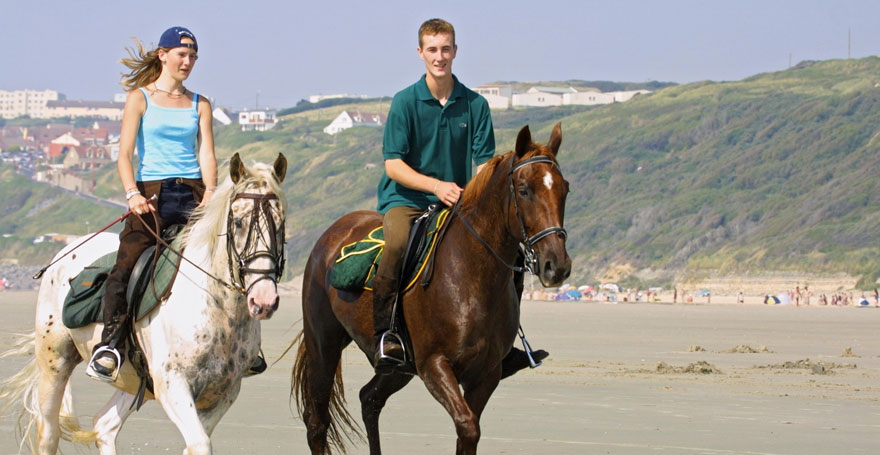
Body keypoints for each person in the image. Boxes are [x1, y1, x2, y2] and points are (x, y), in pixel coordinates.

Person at [372, 18, 544, 374]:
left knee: (509, 252)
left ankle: (504, 341)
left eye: (446, 49)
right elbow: (393, 165)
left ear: (455, 51)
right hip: (407, 200)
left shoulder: (475, 105)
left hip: (458, 202)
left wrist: (473, 195)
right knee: (397, 245)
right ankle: (386, 334)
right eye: (432, 49)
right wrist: (435, 186)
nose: (440, 56)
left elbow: (484, 166)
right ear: (420, 53)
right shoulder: (405, 102)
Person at [87, 26, 229, 381]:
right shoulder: (140, 98)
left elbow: (207, 152)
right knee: (126, 265)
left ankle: (240, 342)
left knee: (228, 257)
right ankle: (110, 345)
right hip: (152, 194)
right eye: (182, 54)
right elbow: (123, 155)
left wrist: (211, 190)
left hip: (195, 192)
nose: (188, 62)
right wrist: (132, 193)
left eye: (193, 56)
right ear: (163, 55)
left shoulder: (201, 102)